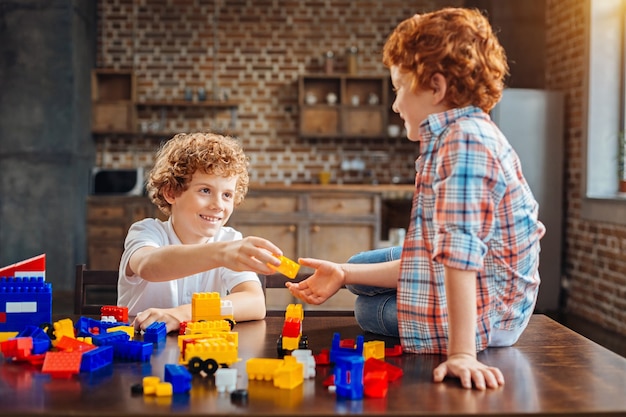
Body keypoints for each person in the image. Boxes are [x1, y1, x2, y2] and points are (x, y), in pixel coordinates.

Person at [286, 7, 545, 390]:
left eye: (399, 88)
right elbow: (428, 254)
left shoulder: (465, 142)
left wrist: (461, 354)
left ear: (436, 87)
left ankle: (459, 339)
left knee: (368, 310)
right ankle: (347, 273)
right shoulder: (456, 133)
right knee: (354, 268)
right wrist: (343, 275)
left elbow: (460, 255)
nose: (394, 104)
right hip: (478, 284)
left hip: (492, 312)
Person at [118, 132, 283, 334]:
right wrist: (222, 254)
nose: (218, 205)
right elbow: (148, 266)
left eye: (227, 195)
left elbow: (255, 302)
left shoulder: (229, 240)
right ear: (171, 192)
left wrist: (184, 314)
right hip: (139, 349)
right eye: (205, 190)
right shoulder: (146, 231)